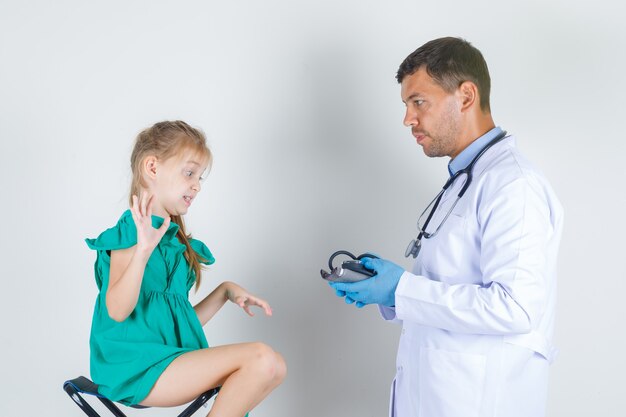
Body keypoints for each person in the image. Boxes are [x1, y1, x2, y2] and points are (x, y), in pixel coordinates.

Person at [329, 37, 563, 417]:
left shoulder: (513, 184)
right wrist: (391, 294)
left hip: (483, 402)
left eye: (418, 102)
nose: (408, 119)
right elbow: (450, 290)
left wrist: (402, 288)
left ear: (466, 96)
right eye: (406, 105)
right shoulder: (465, 180)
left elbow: (516, 308)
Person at [86, 120, 286, 417]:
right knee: (262, 359)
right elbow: (116, 310)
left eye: (200, 177)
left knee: (273, 366)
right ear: (152, 168)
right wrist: (142, 251)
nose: (197, 185)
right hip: (130, 366)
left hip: (165, 359)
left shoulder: (174, 244)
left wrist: (225, 291)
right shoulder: (132, 232)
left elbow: (175, 323)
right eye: (189, 173)